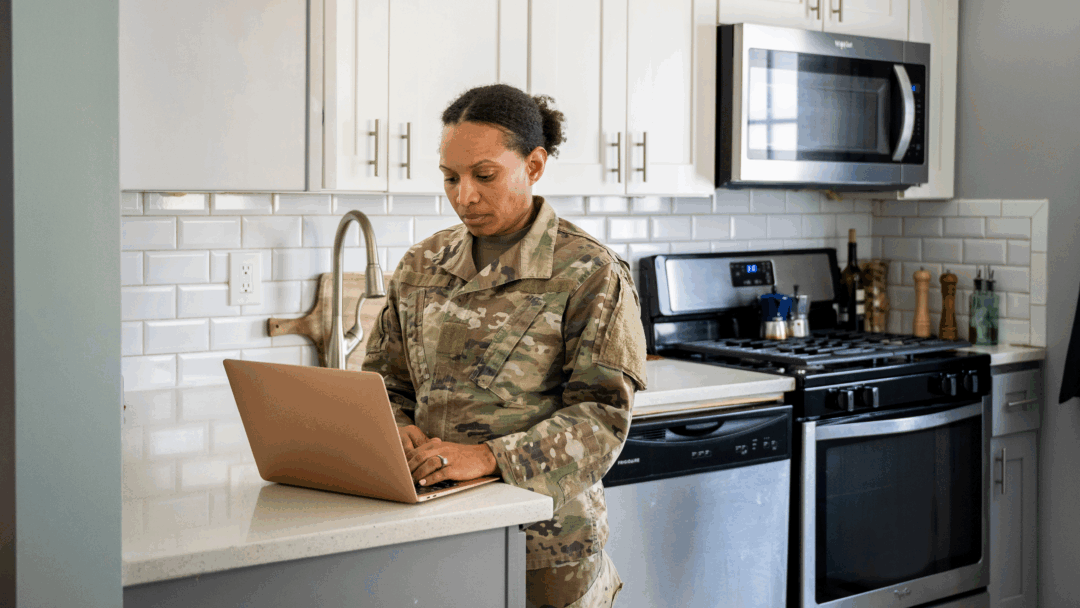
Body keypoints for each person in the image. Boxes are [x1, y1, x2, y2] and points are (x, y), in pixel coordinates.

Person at [362, 83, 647, 608]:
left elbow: (602, 417)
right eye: (450, 177)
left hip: (545, 546)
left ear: (534, 165)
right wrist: (395, 429)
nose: (463, 195)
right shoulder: (420, 265)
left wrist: (488, 457)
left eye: (484, 176)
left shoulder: (590, 272)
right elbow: (385, 380)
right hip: (433, 531)